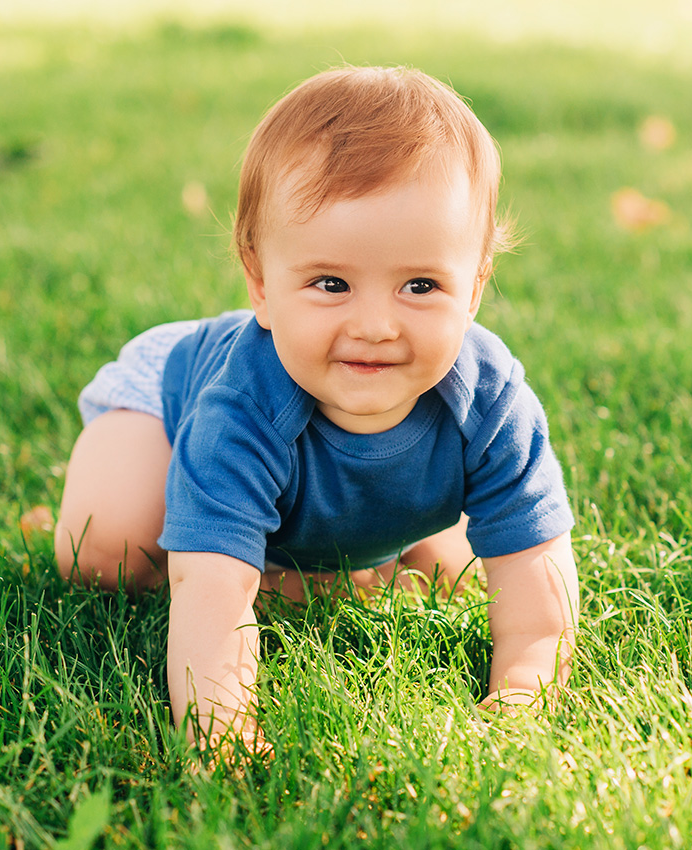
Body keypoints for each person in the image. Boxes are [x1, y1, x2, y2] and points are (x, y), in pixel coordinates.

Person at [55, 65, 579, 751]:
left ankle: (331, 565)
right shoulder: (240, 406)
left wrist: (518, 705)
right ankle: (288, 562)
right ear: (261, 283)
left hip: (324, 444)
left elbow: (539, 590)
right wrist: (223, 734)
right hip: (169, 402)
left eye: (420, 285)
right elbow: (209, 594)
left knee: (459, 572)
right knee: (106, 552)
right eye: (331, 283)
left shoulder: (490, 401)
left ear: (475, 287)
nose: (375, 326)